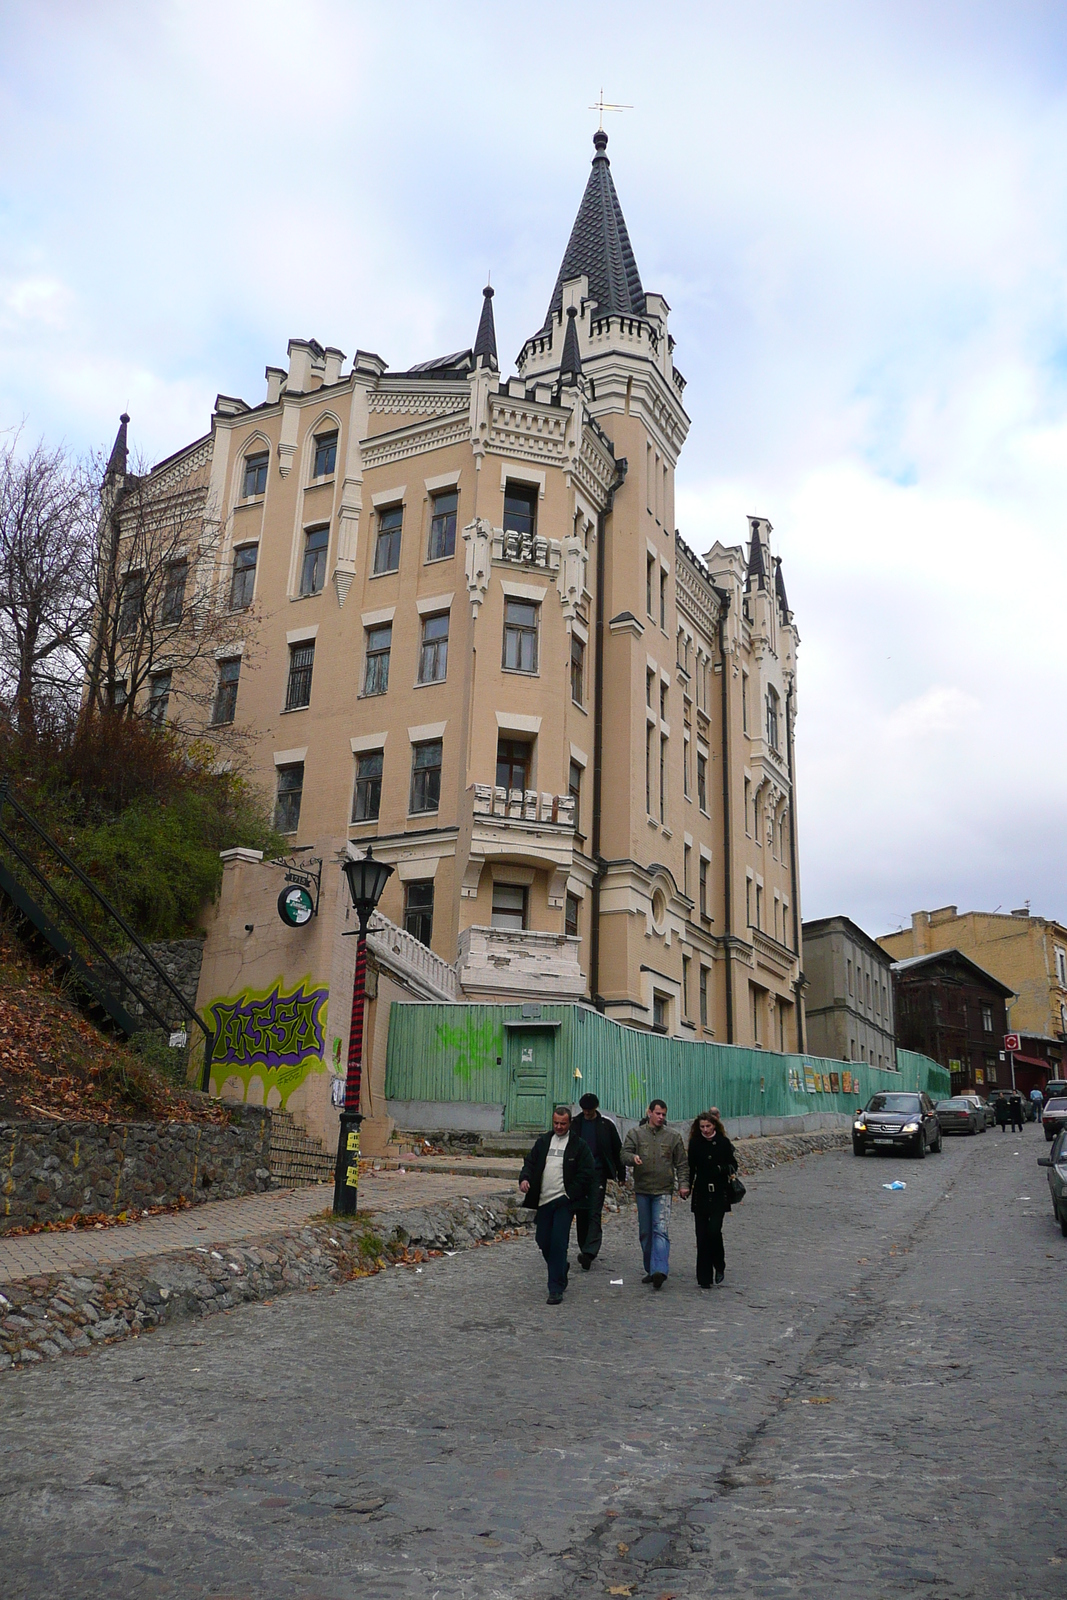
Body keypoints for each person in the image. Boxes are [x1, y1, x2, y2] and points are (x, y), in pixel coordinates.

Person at [519, 1105, 595, 1305]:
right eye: (556, 1123)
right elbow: (530, 1162)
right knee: (543, 1240)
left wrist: (570, 1194)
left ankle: (555, 1288)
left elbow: (587, 1172)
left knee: (559, 1243)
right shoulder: (544, 1141)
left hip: (564, 1202)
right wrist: (525, 1178)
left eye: (563, 1123)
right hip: (544, 1200)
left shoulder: (578, 1145)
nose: (559, 1127)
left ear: (570, 1123)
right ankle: (561, 1268)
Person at [621, 1099, 689, 1290]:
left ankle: (659, 1269)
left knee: (660, 1229)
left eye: (664, 1115)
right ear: (649, 1112)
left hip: (663, 1190)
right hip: (642, 1189)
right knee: (645, 1232)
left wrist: (683, 1184)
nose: (661, 1117)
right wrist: (633, 1158)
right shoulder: (636, 1134)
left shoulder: (673, 1137)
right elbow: (624, 1154)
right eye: (658, 1113)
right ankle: (650, 1268)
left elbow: (682, 1164)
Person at [687, 1107, 738, 1288]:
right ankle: (704, 1277)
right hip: (701, 1193)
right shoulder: (695, 1143)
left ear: (714, 1125)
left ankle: (719, 1264)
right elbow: (690, 1168)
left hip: (718, 1193)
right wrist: (686, 1186)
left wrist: (720, 1169)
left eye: (708, 1126)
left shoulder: (723, 1143)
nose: (705, 1130)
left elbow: (733, 1165)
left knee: (714, 1231)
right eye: (702, 1127)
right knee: (701, 1236)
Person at [573, 1092, 623, 1269]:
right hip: (579, 1175)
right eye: (584, 1110)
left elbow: (617, 1151)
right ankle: (584, 1245)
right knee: (581, 1212)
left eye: (589, 1110)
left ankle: (589, 1251)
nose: (586, 1113)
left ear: (595, 1108)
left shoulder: (605, 1126)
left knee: (594, 1211)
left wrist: (621, 1173)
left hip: (598, 1173)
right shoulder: (575, 1124)